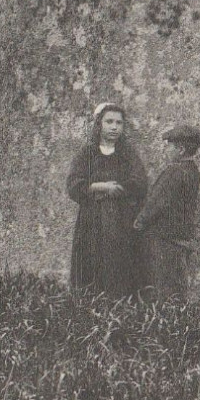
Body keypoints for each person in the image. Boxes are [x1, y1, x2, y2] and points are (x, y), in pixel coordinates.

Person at [66, 101, 148, 296]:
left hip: (121, 220)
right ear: (99, 124)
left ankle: (118, 310)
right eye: (109, 121)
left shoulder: (127, 154)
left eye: (119, 123)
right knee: (91, 262)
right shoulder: (88, 153)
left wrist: (119, 189)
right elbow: (73, 185)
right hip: (92, 220)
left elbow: (139, 182)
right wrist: (99, 187)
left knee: (119, 264)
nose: (114, 127)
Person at [133, 123, 200, 299]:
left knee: (160, 280)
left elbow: (157, 202)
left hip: (163, 235)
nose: (165, 152)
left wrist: (140, 221)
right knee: (174, 280)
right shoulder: (193, 171)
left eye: (169, 147)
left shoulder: (174, 171)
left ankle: (159, 314)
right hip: (180, 235)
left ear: (180, 150)